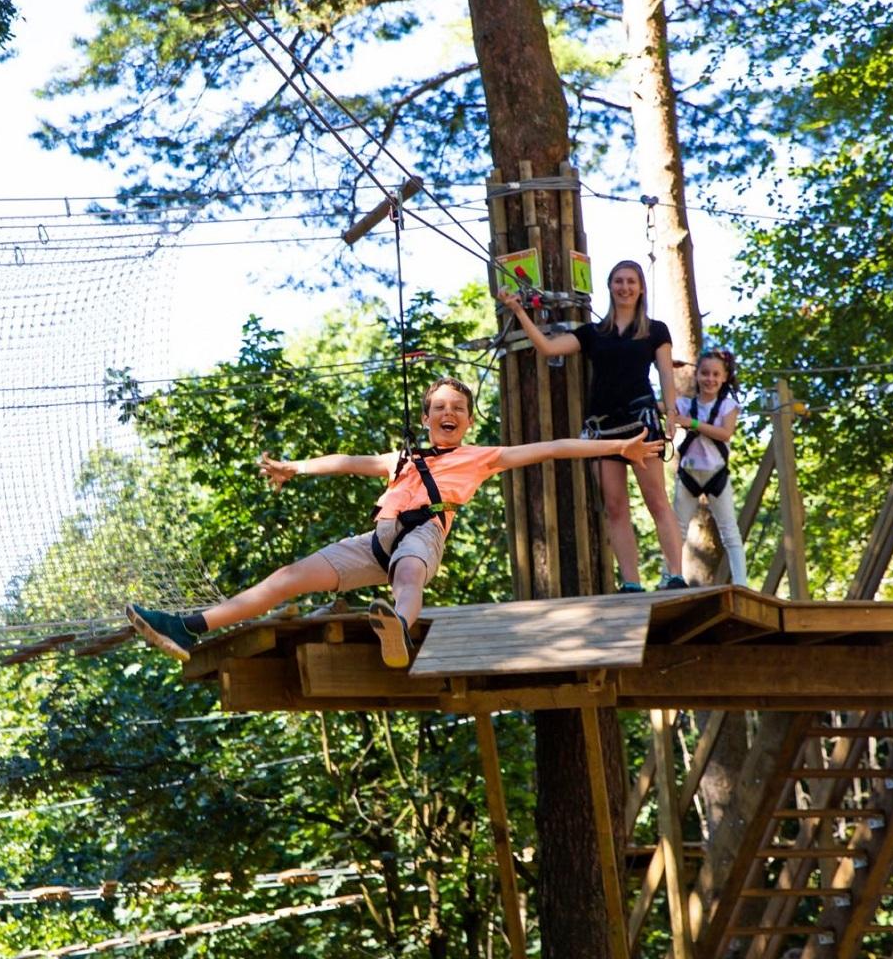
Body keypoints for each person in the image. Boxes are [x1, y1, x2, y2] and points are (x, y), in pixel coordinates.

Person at [126, 377, 662, 668]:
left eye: (457, 408)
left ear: (468, 421)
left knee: (409, 577)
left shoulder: (479, 456)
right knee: (288, 577)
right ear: (427, 417)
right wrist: (296, 468)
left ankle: (397, 631)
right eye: (439, 407)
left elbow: (550, 448)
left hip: (424, 534)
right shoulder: (403, 459)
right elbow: (347, 462)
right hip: (373, 541)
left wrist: (619, 447)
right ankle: (190, 626)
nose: (447, 413)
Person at [498, 260, 686, 591]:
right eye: (618, 281)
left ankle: (675, 574)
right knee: (614, 505)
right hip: (602, 428)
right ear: (610, 286)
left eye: (631, 281)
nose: (625, 287)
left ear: (641, 288)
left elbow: (666, 373)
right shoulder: (594, 333)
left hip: (641, 422)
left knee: (656, 499)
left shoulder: (656, 330)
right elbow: (549, 348)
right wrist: (519, 311)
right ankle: (631, 581)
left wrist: (670, 412)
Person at [673, 348, 750, 585]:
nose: (710, 379)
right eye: (705, 373)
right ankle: (672, 576)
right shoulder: (685, 404)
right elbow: (664, 406)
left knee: (730, 531)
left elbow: (725, 433)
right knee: (677, 529)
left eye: (716, 374)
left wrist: (693, 423)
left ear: (724, 377)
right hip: (689, 472)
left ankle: (740, 582)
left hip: (716, 474)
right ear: (696, 376)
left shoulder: (728, 407)